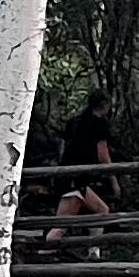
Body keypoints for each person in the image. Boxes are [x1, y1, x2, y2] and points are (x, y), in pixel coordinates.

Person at [47, 100, 123, 252]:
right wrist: (113, 180)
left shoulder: (74, 122)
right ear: (105, 107)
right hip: (73, 181)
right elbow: (103, 155)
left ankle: (94, 251)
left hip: (73, 178)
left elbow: (63, 149)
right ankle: (45, 252)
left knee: (101, 210)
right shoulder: (98, 125)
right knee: (60, 227)